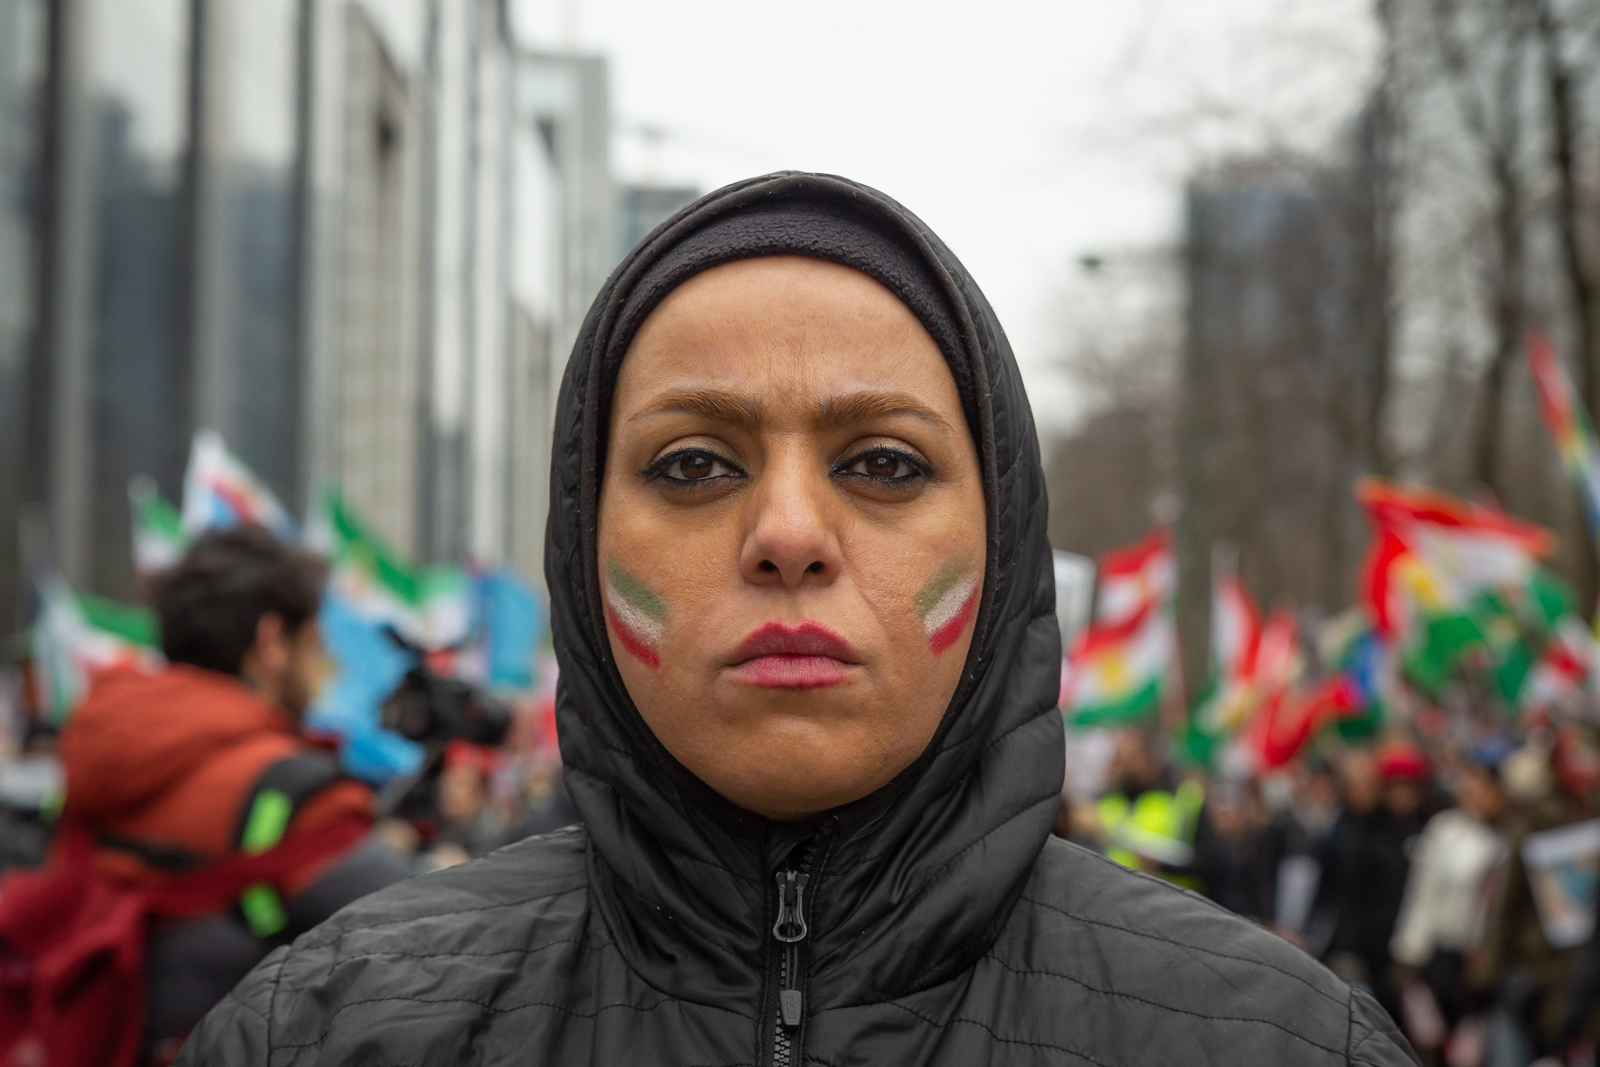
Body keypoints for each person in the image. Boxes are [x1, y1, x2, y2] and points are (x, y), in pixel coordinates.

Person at [182, 173, 1415, 1065]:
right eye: (690, 464)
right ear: (582, 537)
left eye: (882, 464)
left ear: (1003, 541)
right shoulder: (318, 1029)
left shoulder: (1287, 1040)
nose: (786, 531)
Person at [58, 526, 409, 1062]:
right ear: (273, 642)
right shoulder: (296, 793)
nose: (327, 668)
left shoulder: (95, 748)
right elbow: (424, 944)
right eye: (316, 645)